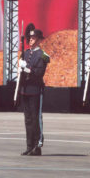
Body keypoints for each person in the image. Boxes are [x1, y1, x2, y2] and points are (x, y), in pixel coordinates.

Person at [19, 23, 50, 156]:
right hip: (25, 89)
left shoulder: (42, 55)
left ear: (38, 39)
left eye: (32, 38)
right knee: (28, 119)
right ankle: (29, 145)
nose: (30, 40)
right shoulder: (25, 53)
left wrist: (27, 70)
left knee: (36, 118)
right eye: (29, 38)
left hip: (35, 89)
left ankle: (37, 145)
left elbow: (39, 73)